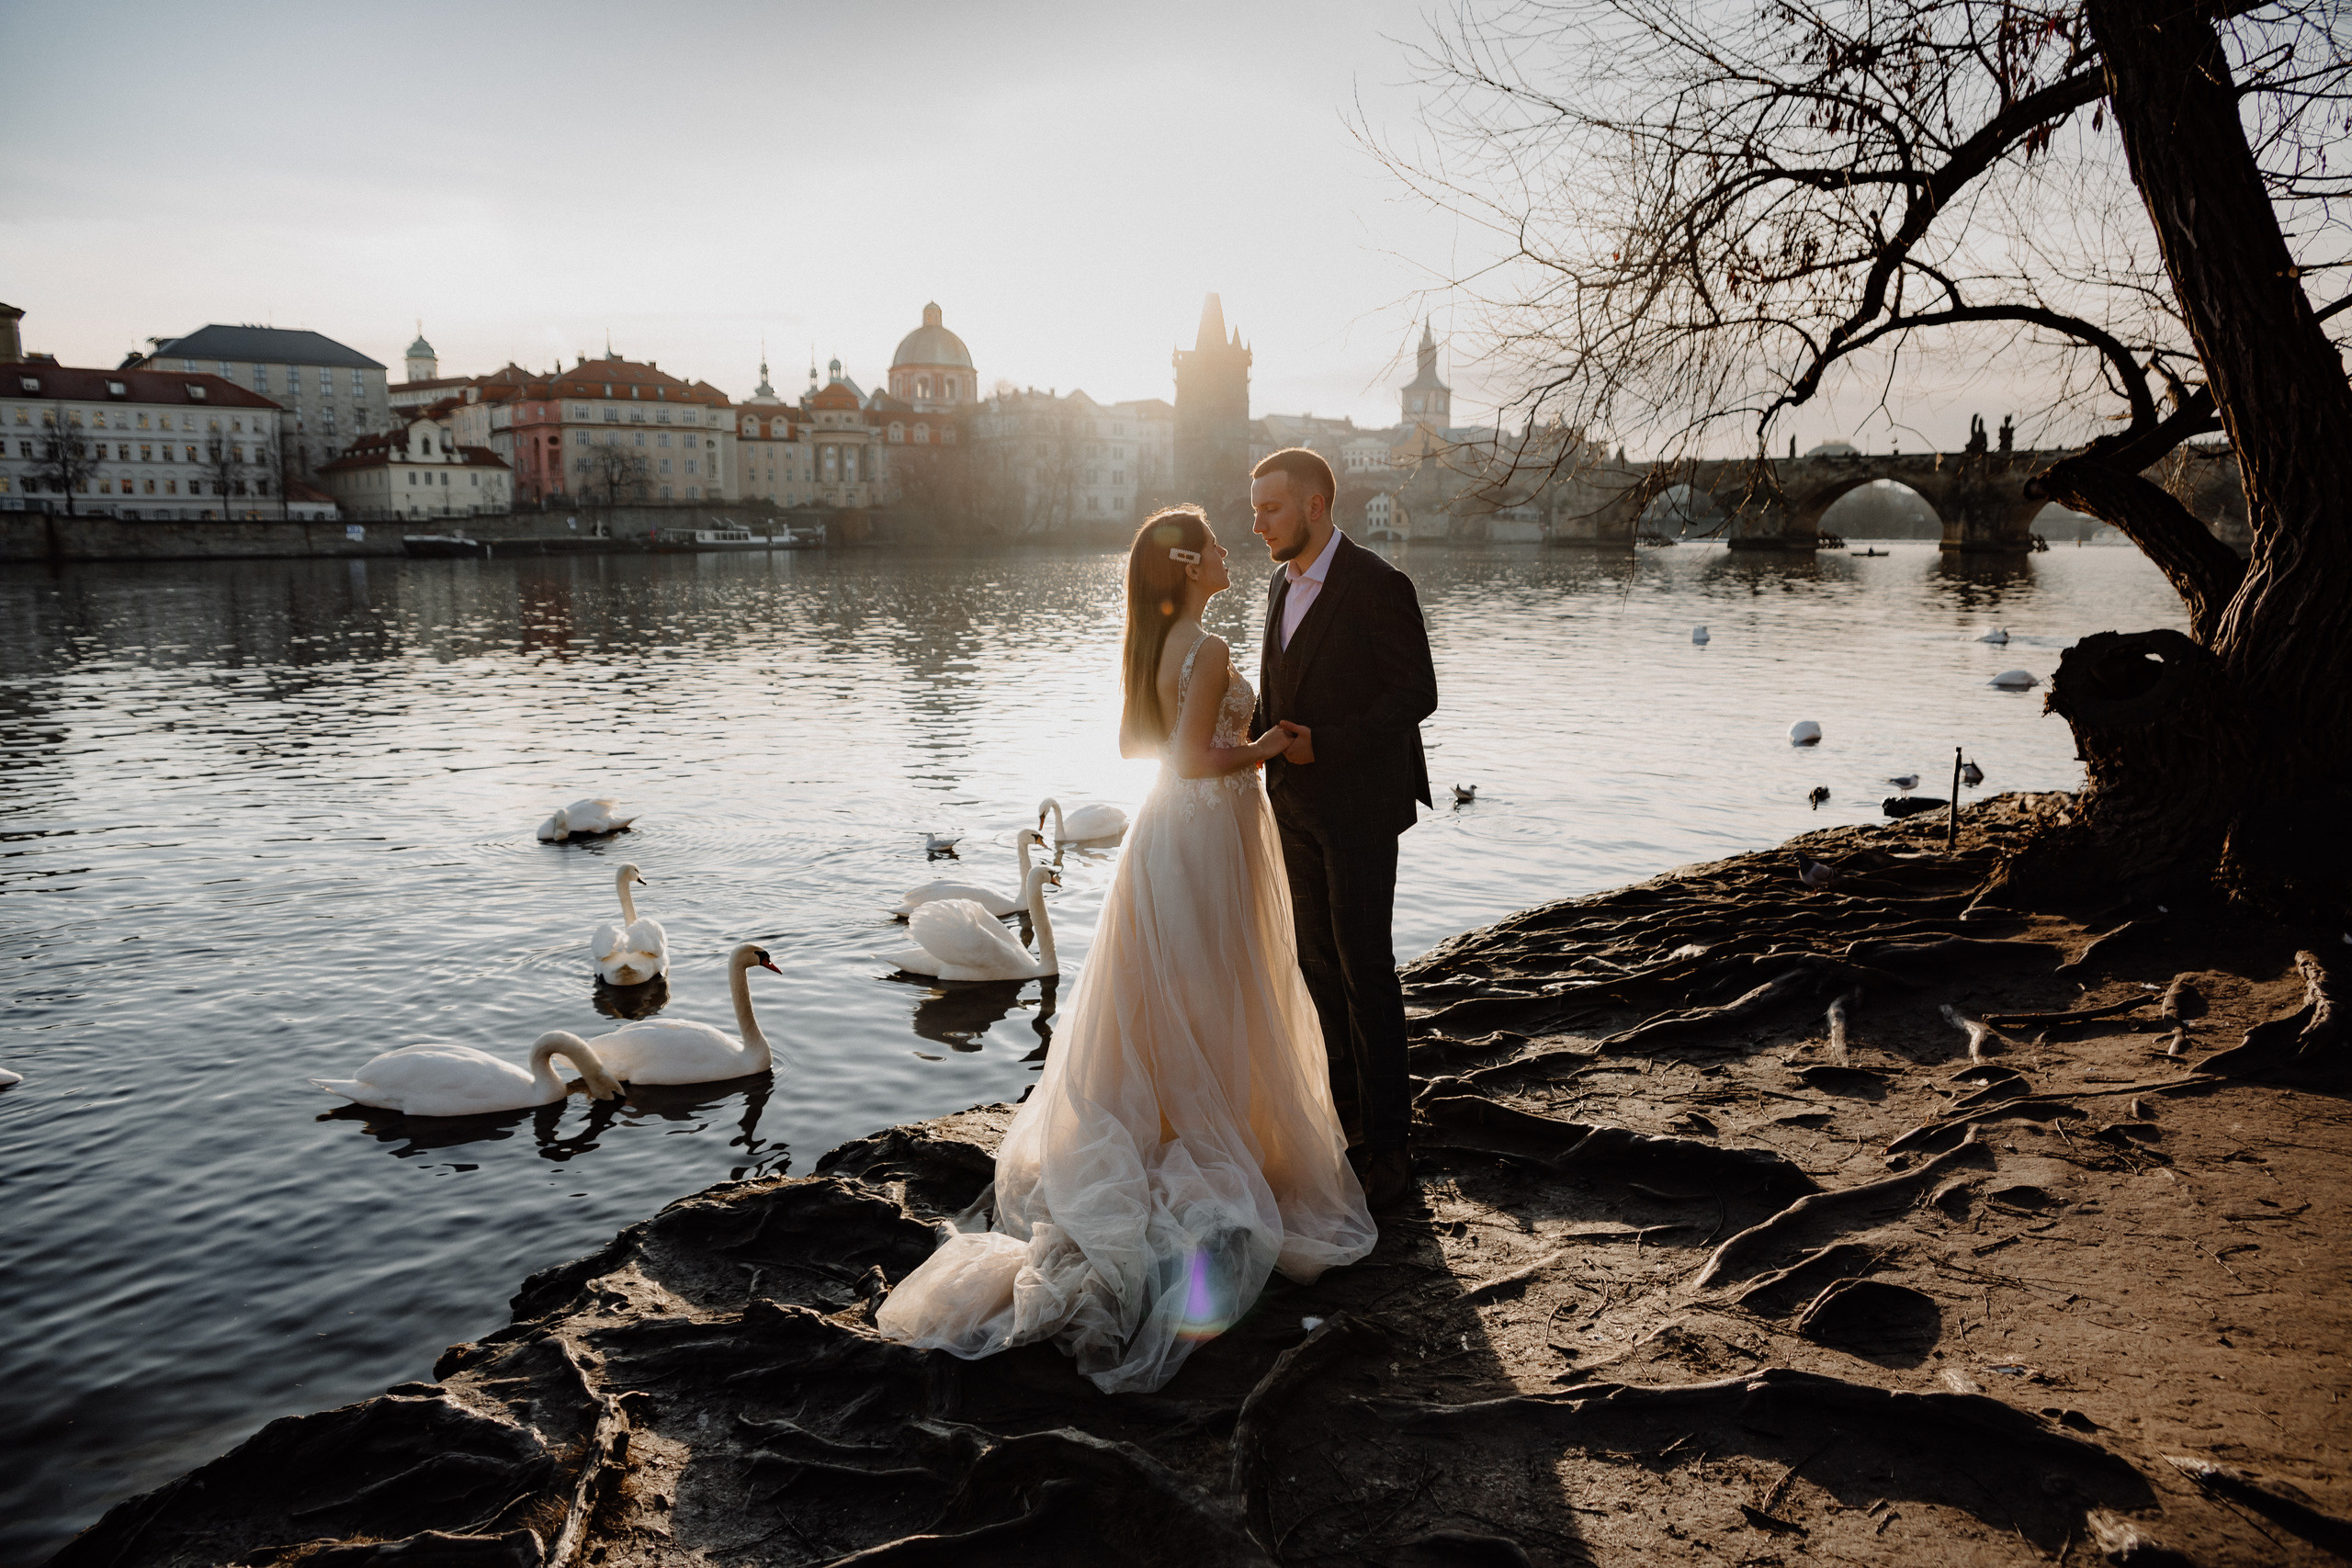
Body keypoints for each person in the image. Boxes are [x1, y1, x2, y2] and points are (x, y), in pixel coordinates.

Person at [876, 505, 1375, 1394]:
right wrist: (1263, 745)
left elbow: (1135, 747)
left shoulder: (1151, 643)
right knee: (1221, 985)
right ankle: (1214, 1133)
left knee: (1172, 990)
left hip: (1165, 835)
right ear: (1188, 566)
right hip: (1208, 826)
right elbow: (1190, 759)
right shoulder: (1210, 647)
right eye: (1218, 544)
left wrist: (1225, 747)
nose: (1230, 551)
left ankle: (1179, 1121)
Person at [1249, 448, 1439, 1210]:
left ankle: (1391, 1148)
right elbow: (1279, 693)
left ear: (1317, 505)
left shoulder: (1379, 585)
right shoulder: (1276, 583)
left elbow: (1415, 694)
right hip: (1292, 805)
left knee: (1367, 970)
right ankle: (1347, 1114)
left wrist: (1326, 741)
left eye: (1270, 508)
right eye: (1255, 508)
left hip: (1360, 807)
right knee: (1315, 965)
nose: (1257, 521)